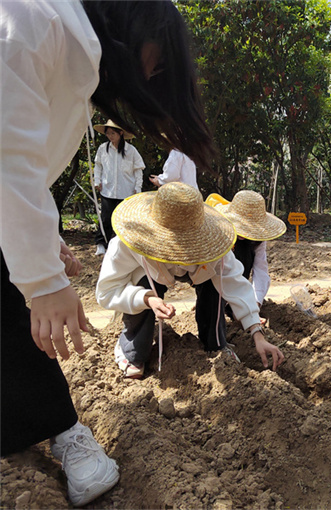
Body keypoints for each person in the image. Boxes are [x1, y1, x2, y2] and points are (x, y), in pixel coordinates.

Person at [1, 0, 214, 505]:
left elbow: (22, 173)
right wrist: (46, 283)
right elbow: (9, 157)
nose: (152, 76)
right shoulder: (30, 21)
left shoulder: (77, 74)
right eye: (157, 62)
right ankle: (61, 425)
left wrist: (42, 242)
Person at [96, 183, 284, 379]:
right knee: (142, 283)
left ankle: (215, 344)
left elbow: (235, 284)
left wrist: (257, 333)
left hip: (200, 271)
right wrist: (146, 299)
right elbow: (107, 291)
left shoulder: (216, 243)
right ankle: (132, 349)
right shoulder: (126, 243)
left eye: (190, 243)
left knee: (216, 285)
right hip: (150, 275)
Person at [213, 190, 287, 315]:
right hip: (214, 277)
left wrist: (255, 304)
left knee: (244, 256)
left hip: (239, 281)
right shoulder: (218, 231)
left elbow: (260, 271)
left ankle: (235, 306)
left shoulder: (257, 240)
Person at [93, 119, 145, 255]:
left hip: (126, 190)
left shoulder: (131, 150)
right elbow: (98, 166)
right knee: (106, 218)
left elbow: (138, 169)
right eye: (108, 133)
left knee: (124, 220)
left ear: (120, 133)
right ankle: (101, 244)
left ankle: (122, 247)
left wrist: (138, 187)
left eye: (113, 133)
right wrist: (97, 181)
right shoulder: (103, 148)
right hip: (107, 190)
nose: (110, 136)